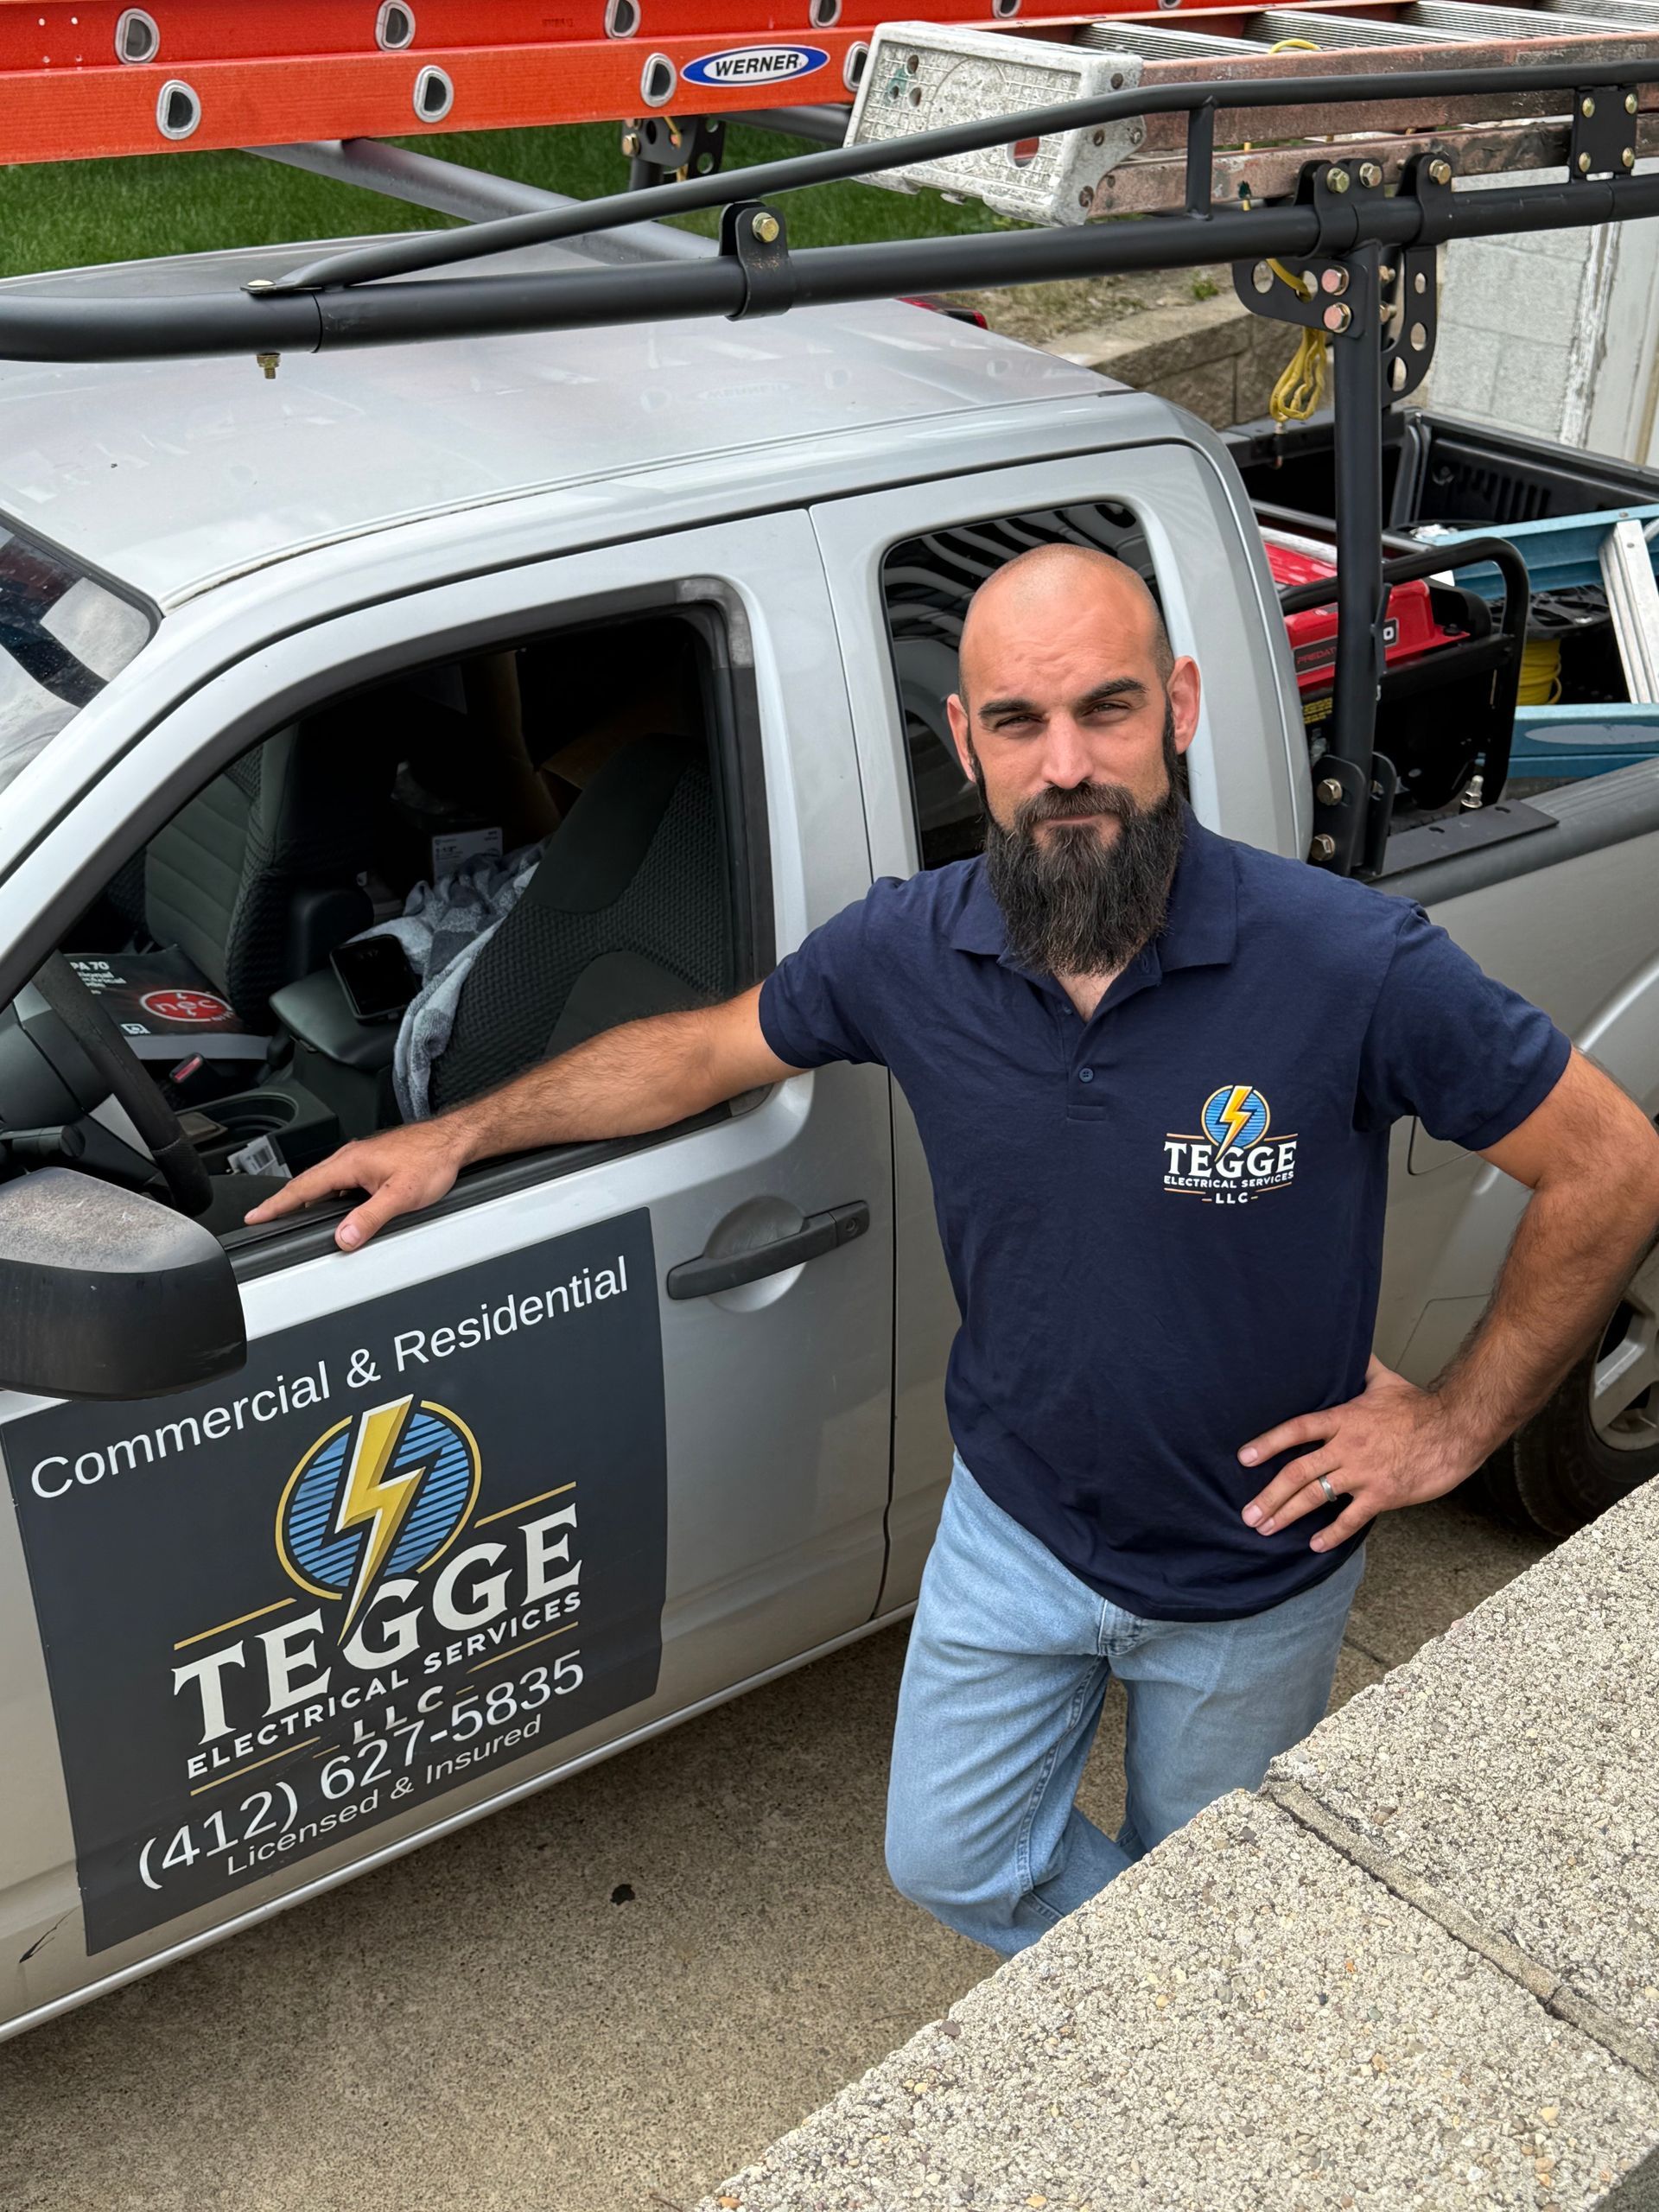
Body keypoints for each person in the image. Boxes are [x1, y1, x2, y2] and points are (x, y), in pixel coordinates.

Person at [248, 543, 1659, 1956]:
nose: (1065, 767)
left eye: (1105, 712)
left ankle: (1189, 2031)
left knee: (1210, 1884)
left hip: (1258, 1572)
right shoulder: (908, 952)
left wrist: (1456, 1428)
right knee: (959, 1858)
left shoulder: (1349, 963)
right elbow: (695, 1052)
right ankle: (1178, 1999)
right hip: (1013, 1529)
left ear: (1180, 707)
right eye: (1017, 723)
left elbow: (1609, 1163)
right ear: (961, 739)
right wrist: (463, 1135)